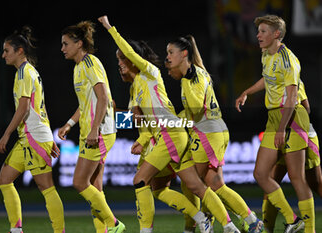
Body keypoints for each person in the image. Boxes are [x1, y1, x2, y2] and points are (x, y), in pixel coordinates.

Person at [98, 15, 240, 233]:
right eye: (118, 60)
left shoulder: (150, 73)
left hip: (170, 134)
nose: (119, 64)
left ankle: (163, 227)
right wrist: (114, 116)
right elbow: (140, 121)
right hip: (169, 135)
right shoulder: (135, 89)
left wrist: (109, 28)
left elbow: (128, 52)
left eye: (122, 59)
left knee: (140, 181)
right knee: (181, 186)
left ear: (133, 59)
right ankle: (226, 225)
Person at [164, 36, 264, 233]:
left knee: (194, 182)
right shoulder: (196, 74)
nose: (167, 58)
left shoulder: (192, 77)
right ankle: (251, 221)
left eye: (170, 53)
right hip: (214, 131)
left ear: (184, 54)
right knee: (215, 184)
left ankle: (215, 223)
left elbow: (196, 108)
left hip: (207, 133)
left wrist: (176, 114)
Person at [235, 14, 314, 233]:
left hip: (291, 118)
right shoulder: (266, 54)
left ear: (276, 34)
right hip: (274, 118)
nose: (258, 35)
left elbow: (292, 97)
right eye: (258, 31)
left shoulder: (288, 59)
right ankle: (292, 219)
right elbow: (267, 79)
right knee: (261, 174)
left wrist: (282, 129)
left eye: (263, 31)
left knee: (298, 177)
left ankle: (310, 230)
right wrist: (247, 92)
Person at [58, 21, 125, 233]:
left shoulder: (90, 63)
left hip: (100, 131)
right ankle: (104, 231)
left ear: (79, 44)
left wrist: (95, 129)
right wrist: (69, 124)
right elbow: (86, 104)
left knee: (79, 182)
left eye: (66, 44)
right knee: (95, 188)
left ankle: (115, 225)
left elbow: (104, 97)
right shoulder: (78, 68)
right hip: (91, 131)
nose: (62, 49)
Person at [0, 26, 65, 233]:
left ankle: (59, 231)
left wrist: (6, 134)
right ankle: (16, 229)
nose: (3, 55)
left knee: (46, 186)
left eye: (6, 50)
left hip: (34, 138)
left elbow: (24, 108)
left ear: (19, 51)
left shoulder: (25, 72)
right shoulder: (25, 72)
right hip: (31, 137)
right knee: (4, 179)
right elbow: (40, 108)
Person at [262, 80, 321, 233]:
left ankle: (273, 227)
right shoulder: (294, 77)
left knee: (275, 181)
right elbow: (306, 108)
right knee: (271, 181)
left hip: (292, 132)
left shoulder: (276, 76)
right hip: (298, 132)